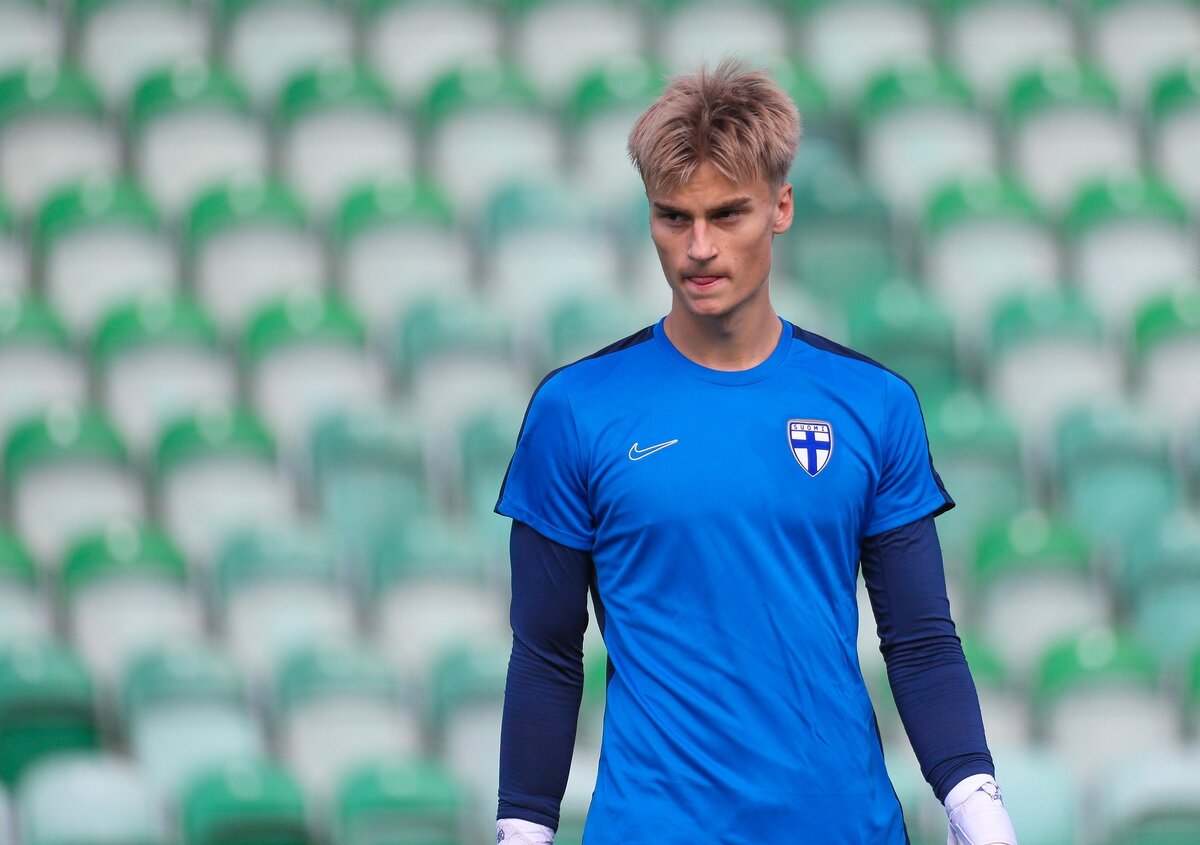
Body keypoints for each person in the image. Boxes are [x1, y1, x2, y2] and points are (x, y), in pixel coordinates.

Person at [493, 60, 1018, 844]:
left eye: (727, 214)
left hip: (846, 828)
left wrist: (975, 801)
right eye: (674, 218)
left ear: (781, 206)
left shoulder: (873, 403)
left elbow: (919, 639)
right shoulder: (575, 410)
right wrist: (522, 830)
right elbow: (545, 652)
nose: (699, 246)